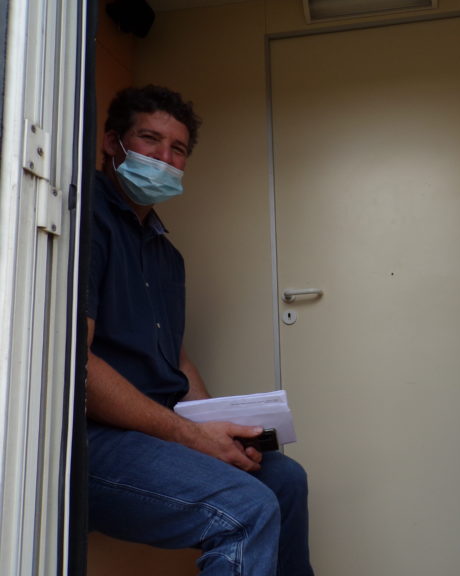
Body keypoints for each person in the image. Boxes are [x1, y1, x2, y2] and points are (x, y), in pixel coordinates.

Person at [86, 84, 314, 576]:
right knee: (247, 508)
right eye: (149, 140)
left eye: (178, 149)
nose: (164, 159)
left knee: (284, 479)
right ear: (111, 142)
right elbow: (72, 364)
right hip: (95, 440)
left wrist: (219, 430)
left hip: (157, 432)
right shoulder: (86, 220)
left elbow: (177, 358)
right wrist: (192, 436)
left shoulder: (167, 256)